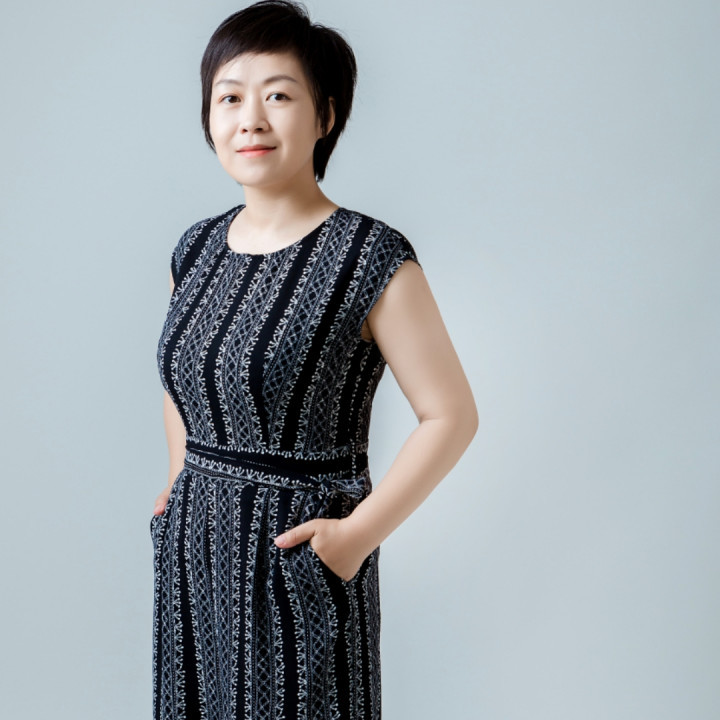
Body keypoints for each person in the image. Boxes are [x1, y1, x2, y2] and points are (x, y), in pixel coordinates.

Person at [150, 1, 478, 717]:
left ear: (325, 115)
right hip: (193, 553)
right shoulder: (194, 249)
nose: (250, 120)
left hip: (297, 555)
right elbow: (185, 378)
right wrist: (179, 480)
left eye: (278, 96)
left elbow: (451, 414)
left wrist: (355, 539)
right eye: (229, 98)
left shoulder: (369, 257)